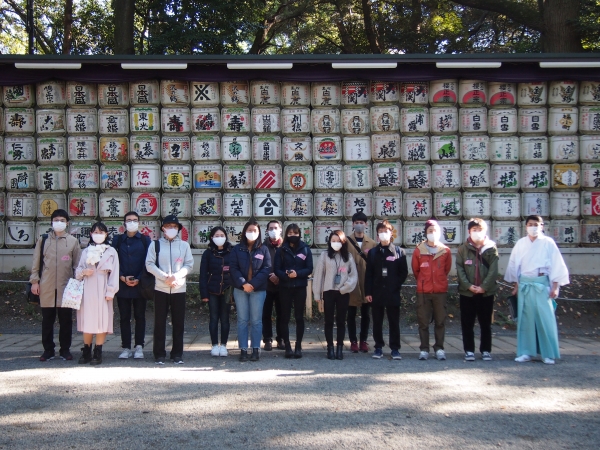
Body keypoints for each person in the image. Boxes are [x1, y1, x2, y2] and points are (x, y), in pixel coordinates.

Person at [505, 215, 569, 365]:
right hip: (525, 284)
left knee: (545, 319)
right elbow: (515, 265)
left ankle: (548, 354)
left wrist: (555, 286)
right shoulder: (521, 243)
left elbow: (556, 265)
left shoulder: (548, 243)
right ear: (526, 226)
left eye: (536, 224)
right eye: (530, 224)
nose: (533, 227)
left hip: (541, 283)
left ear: (542, 226)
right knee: (525, 319)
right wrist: (516, 285)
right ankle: (526, 351)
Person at [30, 209, 82, 362]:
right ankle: (48, 350)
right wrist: (34, 281)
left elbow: (77, 265)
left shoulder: (73, 241)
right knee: (47, 321)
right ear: (51, 222)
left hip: (66, 288)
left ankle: (65, 350)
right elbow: (36, 263)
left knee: (66, 321)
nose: (59, 223)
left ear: (67, 223)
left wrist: (78, 284)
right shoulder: (43, 240)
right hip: (46, 286)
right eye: (56, 220)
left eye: (62, 220)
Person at [146, 215, 194, 365]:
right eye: (169, 226)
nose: (172, 229)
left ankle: (177, 354)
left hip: (179, 288)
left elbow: (189, 265)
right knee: (159, 322)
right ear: (163, 228)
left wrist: (176, 277)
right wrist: (164, 277)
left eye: (175, 226)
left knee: (178, 322)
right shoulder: (155, 245)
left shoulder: (184, 245)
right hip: (161, 288)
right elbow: (149, 264)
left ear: (179, 229)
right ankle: (159, 354)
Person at [75, 223, 120, 365]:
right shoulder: (86, 251)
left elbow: (114, 273)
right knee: (87, 319)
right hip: (87, 288)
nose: (98, 234)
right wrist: (83, 272)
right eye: (95, 232)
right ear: (90, 234)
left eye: (101, 232)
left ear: (106, 234)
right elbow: (77, 272)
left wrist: (111, 291)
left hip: (103, 287)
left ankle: (98, 350)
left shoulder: (111, 251)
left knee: (102, 321)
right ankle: (86, 349)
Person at [456, 218, 499, 362]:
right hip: (467, 292)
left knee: (485, 323)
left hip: (486, 292)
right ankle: (469, 350)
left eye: (480, 229)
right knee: (467, 322)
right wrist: (468, 285)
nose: (477, 232)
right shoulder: (463, 248)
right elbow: (460, 268)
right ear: (469, 231)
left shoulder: (491, 248)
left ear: (485, 231)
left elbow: (493, 270)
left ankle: (486, 350)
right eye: (474, 230)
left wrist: (483, 287)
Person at [365, 220, 408, 360]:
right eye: (381, 232)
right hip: (377, 292)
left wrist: (395, 285)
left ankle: (395, 348)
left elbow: (403, 272)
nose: (383, 234)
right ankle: (378, 347)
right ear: (377, 235)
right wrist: (368, 292)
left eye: (386, 231)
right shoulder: (372, 253)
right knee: (377, 321)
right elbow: (369, 274)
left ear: (391, 233)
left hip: (392, 293)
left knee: (394, 322)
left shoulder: (399, 252)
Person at [112, 211, 152, 360]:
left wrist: (140, 278)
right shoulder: (118, 240)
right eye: (129, 220)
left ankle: (139, 346)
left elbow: (149, 261)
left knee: (140, 316)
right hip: (122, 284)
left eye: (135, 220)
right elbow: (112, 260)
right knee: (124, 317)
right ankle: (126, 347)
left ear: (139, 223)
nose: (132, 222)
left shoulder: (145, 240)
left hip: (140, 285)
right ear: (124, 223)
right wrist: (121, 276)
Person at [230, 221, 271, 362]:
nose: (252, 232)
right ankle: (243, 349)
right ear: (244, 231)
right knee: (242, 320)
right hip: (240, 289)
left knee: (256, 321)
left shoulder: (263, 249)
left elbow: (266, 269)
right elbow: (233, 268)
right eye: (249, 230)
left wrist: (252, 284)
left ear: (259, 233)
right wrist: (243, 284)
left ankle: (255, 349)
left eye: (255, 230)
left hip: (258, 290)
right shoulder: (237, 249)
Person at [312, 230, 358, 360]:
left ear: (343, 242)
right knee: (328, 321)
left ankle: (339, 348)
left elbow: (353, 275)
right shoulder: (324, 255)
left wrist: (345, 287)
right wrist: (317, 293)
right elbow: (319, 275)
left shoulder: (348, 256)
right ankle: (330, 348)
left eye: (338, 241)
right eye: (333, 241)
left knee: (341, 321)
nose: (336, 243)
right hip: (328, 292)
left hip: (343, 292)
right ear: (329, 242)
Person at [412, 219, 452, 361]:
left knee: (440, 321)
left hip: (440, 290)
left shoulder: (445, 251)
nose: (432, 233)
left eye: (435, 231)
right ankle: (424, 349)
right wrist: (425, 281)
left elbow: (446, 270)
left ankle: (439, 348)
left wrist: (437, 281)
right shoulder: (419, 250)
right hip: (423, 291)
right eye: (430, 231)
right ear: (426, 233)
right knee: (423, 321)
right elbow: (416, 271)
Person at [273, 223, 313, 358]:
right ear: (286, 235)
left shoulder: (305, 249)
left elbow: (309, 268)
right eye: (290, 234)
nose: (293, 236)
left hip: (300, 287)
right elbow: (276, 269)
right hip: (285, 287)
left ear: (299, 234)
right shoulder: (281, 250)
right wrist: (285, 274)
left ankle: (298, 346)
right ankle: (287, 346)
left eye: (295, 234)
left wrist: (298, 274)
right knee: (284, 317)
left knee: (299, 317)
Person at [345, 212, 377, 353]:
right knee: (351, 313)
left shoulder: (372, 243)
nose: (359, 225)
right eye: (356, 222)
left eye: (362, 222)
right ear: (352, 224)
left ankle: (363, 341)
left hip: (366, 283)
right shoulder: (345, 242)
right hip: (351, 283)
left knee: (366, 313)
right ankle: (353, 341)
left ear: (366, 224)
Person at [199, 226, 233, 357]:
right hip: (212, 290)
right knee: (213, 318)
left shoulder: (232, 251)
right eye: (216, 236)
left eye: (222, 235)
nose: (220, 238)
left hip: (227, 290)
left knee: (225, 319)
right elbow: (203, 275)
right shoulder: (208, 254)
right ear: (212, 238)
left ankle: (223, 345)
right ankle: (214, 345)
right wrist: (204, 294)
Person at [262, 220, 284, 351]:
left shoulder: (285, 246)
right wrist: (270, 275)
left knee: (282, 314)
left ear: (280, 229)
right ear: (267, 231)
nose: (273, 230)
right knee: (266, 314)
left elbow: (290, 263)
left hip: (282, 285)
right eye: (271, 228)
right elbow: (259, 263)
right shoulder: (262, 246)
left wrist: (279, 276)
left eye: (275, 228)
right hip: (266, 285)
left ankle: (281, 339)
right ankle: (267, 339)